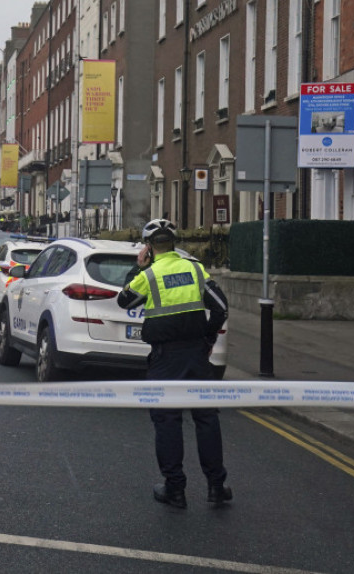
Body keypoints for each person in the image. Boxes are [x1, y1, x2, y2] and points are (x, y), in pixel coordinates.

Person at [116, 218, 232, 509]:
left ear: (149, 247)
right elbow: (221, 307)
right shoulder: (194, 268)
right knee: (206, 419)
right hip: (196, 354)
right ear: (175, 243)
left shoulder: (150, 274)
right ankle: (217, 487)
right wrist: (207, 340)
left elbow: (124, 301)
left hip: (166, 358)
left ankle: (175, 489)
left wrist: (139, 268)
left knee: (168, 421)